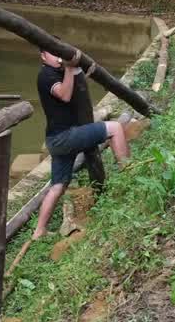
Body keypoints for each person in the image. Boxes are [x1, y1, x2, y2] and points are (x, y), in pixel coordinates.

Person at [32, 46, 134, 239]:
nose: (57, 57)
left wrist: (77, 70)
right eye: (53, 53)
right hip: (64, 137)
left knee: (58, 186)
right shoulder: (45, 75)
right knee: (115, 129)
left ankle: (39, 231)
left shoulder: (59, 71)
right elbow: (64, 94)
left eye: (58, 52)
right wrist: (71, 69)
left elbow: (73, 87)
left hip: (58, 138)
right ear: (43, 56)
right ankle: (128, 175)